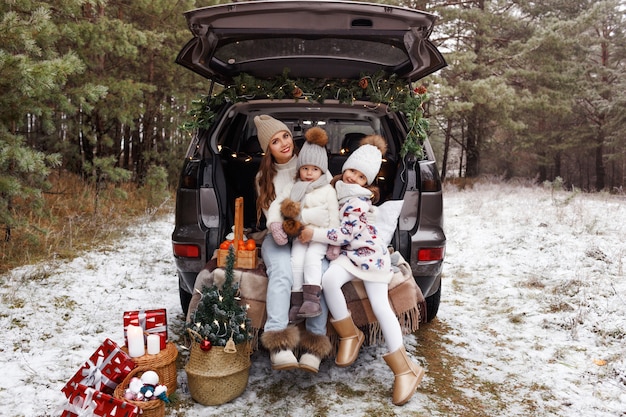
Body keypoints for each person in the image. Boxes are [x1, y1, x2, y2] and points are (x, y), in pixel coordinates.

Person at [299, 134, 425, 405]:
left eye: (359, 175)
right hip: (349, 255)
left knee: (381, 307)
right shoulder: (340, 193)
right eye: (350, 171)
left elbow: (344, 234)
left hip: (370, 258)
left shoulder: (357, 201)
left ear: (367, 181)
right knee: (329, 280)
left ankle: (405, 369)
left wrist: (314, 233)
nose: (352, 177)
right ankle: (350, 333)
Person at [253, 115, 332, 373]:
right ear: (268, 149)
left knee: (317, 274)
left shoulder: (311, 162)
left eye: (285, 136)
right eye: (275, 141)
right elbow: (272, 215)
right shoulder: (263, 177)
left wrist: (311, 227)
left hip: (309, 234)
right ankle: (278, 344)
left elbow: (326, 200)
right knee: (283, 274)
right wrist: (282, 225)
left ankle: (314, 347)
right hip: (278, 236)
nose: (284, 143)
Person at [280, 126, 339, 322]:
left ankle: (312, 299)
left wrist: (334, 244)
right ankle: (296, 301)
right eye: (305, 169)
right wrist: (306, 218)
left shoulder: (328, 190)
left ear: (322, 170)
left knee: (313, 259)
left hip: (321, 235)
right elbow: (289, 214)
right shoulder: (296, 189)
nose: (309, 173)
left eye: (314, 169)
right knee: (296, 260)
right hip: (301, 234)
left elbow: (334, 218)